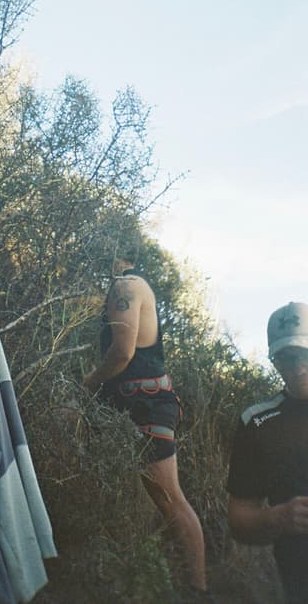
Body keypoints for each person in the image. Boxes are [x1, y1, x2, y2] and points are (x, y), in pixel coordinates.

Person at [82, 251, 212, 601]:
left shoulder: (126, 285)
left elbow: (123, 353)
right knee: (157, 497)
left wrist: (88, 382)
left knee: (169, 497)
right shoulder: (136, 285)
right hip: (136, 404)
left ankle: (199, 591)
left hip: (143, 404)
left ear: (119, 254)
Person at [227, 301, 308, 604]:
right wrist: (280, 517)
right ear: (274, 361)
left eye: (304, 352)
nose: (297, 365)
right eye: (286, 357)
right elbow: (238, 519)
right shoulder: (257, 423)